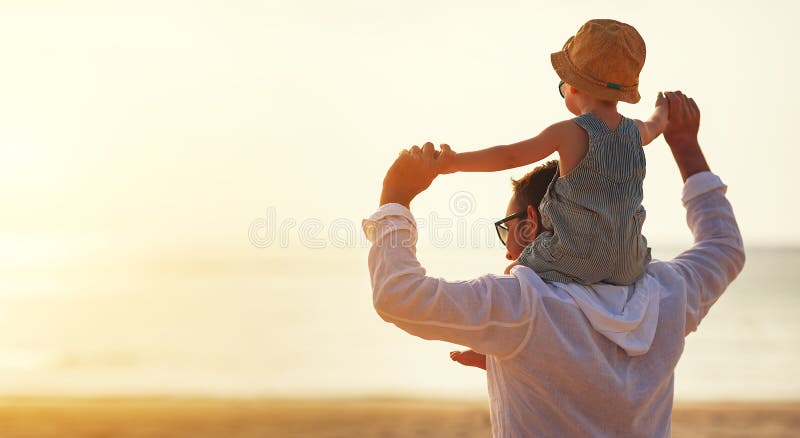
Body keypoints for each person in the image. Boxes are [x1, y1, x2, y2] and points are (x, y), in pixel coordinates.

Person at [363, 92, 744, 437]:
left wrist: (394, 201)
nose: (509, 253)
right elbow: (723, 247)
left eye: (507, 230)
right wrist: (685, 145)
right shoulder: (666, 294)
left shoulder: (523, 306)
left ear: (532, 223)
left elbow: (398, 297)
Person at [438, 19, 667, 286]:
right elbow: (656, 124)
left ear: (574, 85)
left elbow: (509, 155)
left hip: (577, 257)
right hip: (630, 263)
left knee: (514, 271)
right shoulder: (636, 131)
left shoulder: (570, 132)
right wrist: (664, 107)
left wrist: (455, 162)